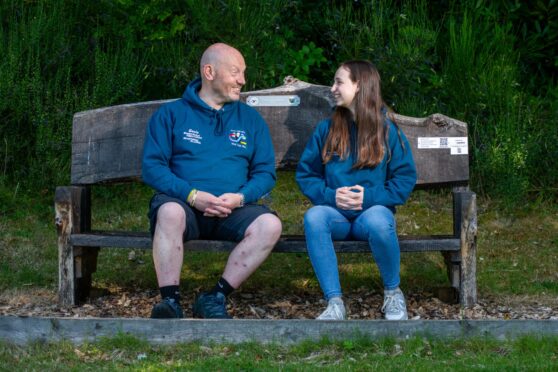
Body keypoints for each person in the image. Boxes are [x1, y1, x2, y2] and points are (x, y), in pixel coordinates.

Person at [142, 43, 282, 319]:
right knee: (168, 212)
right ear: (209, 72)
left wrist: (241, 197)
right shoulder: (171, 115)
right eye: (235, 72)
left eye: (243, 73)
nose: (242, 80)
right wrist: (192, 195)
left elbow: (266, 173)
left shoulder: (250, 120)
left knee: (270, 225)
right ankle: (170, 302)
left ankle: (215, 297)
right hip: (184, 205)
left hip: (234, 209)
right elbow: (152, 168)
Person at [295, 60, 417, 321]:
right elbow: (306, 174)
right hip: (335, 215)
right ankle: (334, 303)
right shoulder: (326, 129)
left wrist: (370, 198)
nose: (333, 88)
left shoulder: (387, 130)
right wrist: (330, 196)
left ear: (359, 86)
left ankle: (393, 293)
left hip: (369, 215)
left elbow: (404, 179)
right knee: (314, 217)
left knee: (379, 220)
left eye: (339, 82)